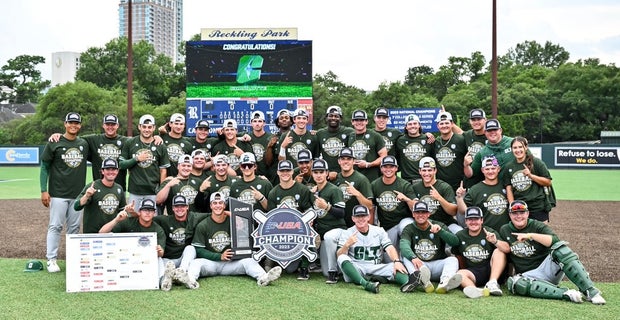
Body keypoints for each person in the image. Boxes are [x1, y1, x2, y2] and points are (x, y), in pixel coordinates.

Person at [496, 200, 605, 305]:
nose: (518, 216)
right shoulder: (505, 229)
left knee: (561, 250)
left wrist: (530, 235)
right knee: (514, 283)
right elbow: (507, 255)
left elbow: (555, 241)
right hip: (528, 276)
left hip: (547, 269)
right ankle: (566, 294)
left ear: (527, 213)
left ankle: (590, 291)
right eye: (515, 213)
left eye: (522, 212)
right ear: (510, 215)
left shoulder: (537, 225)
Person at [187, 192, 282, 287]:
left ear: (224, 205)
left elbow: (246, 239)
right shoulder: (203, 225)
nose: (218, 206)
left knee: (249, 261)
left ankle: (263, 278)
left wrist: (241, 226)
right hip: (212, 263)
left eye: (220, 203)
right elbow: (199, 250)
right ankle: (190, 281)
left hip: (231, 263)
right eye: (215, 203)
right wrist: (219, 256)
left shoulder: (233, 221)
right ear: (211, 205)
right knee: (196, 263)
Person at [40, 112, 89, 272]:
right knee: (55, 226)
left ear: (80, 125)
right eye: (70, 122)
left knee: (74, 228)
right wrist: (43, 190)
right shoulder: (54, 142)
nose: (73, 125)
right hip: (58, 193)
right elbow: (44, 166)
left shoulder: (84, 143)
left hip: (77, 195)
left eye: (76, 123)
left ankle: (72, 259)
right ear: (65, 124)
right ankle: (51, 259)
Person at [336, 205, 425, 294]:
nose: (360, 219)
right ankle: (366, 284)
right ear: (353, 218)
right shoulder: (347, 233)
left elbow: (389, 248)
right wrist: (347, 245)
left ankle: (409, 283)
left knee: (394, 266)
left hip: (376, 266)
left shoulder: (379, 231)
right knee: (342, 258)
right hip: (357, 267)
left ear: (368, 217)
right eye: (357, 216)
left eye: (363, 216)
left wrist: (397, 261)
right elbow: (339, 255)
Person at [99, 199, 169, 290]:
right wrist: (116, 220)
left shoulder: (158, 229)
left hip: (146, 261)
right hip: (127, 260)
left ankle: (162, 281)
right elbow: (101, 233)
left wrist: (159, 251)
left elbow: (161, 253)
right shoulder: (129, 222)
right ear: (139, 212)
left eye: (150, 210)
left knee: (159, 260)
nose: (147, 213)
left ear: (154, 213)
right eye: (145, 210)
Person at [399, 202, 461, 294]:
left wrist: (441, 232)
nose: (420, 215)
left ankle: (444, 283)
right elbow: (404, 245)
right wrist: (413, 257)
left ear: (429, 214)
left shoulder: (439, 225)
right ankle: (423, 282)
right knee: (406, 257)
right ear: (413, 214)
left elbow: (455, 242)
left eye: (423, 212)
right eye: (417, 212)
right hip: (420, 265)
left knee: (453, 260)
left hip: (437, 265)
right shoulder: (409, 228)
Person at [267, 160, 314, 277]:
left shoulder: (302, 189)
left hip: (299, 230)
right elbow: (271, 219)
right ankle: (270, 261)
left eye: (287, 170)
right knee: (289, 269)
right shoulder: (273, 192)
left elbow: (309, 210)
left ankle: (304, 266)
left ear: (292, 171)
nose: (285, 173)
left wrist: (309, 221)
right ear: (278, 172)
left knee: (309, 231)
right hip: (281, 231)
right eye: (282, 171)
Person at [119, 114, 170, 212]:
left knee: (152, 221)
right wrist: (136, 159)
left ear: (154, 128)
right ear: (139, 127)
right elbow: (121, 165)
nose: (147, 130)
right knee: (133, 220)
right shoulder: (130, 143)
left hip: (153, 192)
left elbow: (163, 171)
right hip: (135, 191)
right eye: (144, 127)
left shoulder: (160, 145)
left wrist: (161, 190)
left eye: (150, 127)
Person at [154, 195, 206, 290]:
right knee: (160, 261)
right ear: (172, 208)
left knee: (191, 248)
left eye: (182, 206)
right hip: (169, 259)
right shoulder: (165, 220)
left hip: (184, 259)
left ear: (187, 207)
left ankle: (181, 271)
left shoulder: (194, 217)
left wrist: (231, 214)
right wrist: (133, 214)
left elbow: (213, 215)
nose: (180, 209)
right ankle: (166, 279)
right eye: (177, 206)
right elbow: (146, 218)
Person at [453, 206, 506, 298]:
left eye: (476, 219)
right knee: (460, 274)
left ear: (481, 220)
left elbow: (507, 249)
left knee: (499, 251)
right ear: (465, 221)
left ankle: (492, 283)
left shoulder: (489, 232)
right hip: (474, 272)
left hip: (491, 269)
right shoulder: (460, 235)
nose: (473, 222)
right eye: (470, 219)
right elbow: (458, 255)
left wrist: (495, 241)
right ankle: (475, 290)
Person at [309, 159, 346, 284]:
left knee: (329, 237)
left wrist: (327, 207)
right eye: (315, 172)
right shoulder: (313, 192)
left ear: (327, 173)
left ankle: (333, 273)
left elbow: (341, 213)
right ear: (312, 174)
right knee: (323, 271)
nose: (318, 175)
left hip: (337, 230)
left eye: (321, 172)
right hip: (323, 233)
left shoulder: (334, 190)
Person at [503, 136, 554, 223]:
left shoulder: (536, 162)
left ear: (526, 148)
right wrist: (512, 205)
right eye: (515, 148)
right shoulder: (509, 166)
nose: (518, 150)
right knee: (523, 236)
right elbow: (509, 188)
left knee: (540, 235)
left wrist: (531, 176)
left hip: (537, 207)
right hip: (520, 208)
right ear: (511, 149)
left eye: (520, 147)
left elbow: (548, 182)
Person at [371, 155, 417, 250]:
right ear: (381, 168)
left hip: (404, 221)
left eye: (391, 166)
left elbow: (416, 208)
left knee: (405, 228)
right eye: (385, 166)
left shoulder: (405, 185)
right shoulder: (375, 185)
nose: (388, 169)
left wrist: (406, 199)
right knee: (389, 259)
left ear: (396, 168)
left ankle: (410, 255)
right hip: (388, 227)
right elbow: (371, 208)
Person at [456, 155, 510, 232]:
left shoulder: (506, 186)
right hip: (485, 233)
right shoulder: (475, 190)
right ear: (482, 170)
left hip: (506, 232)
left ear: (498, 169)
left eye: (493, 168)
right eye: (487, 169)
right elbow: (463, 211)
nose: (490, 171)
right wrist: (459, 197)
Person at [74, 158, 128, 233]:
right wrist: (86, 196)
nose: (111, 172)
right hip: (93, 234)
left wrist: (128, 210)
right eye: (108, 169)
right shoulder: (93, 186)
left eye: (113, 169)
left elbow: (121, 210)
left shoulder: (119, 188)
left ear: (117, 171)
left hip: (112, 233)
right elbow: (76, 206)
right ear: (102, 171)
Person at [408, 157, 461, 234]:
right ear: (419, 171)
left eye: (430, 170)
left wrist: (439, 198)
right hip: (423, 226)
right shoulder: (415, 188)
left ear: (435, 170)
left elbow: (453, 211)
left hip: (446, 224)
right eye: (424, 170)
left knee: (459, 232)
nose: (427, 173)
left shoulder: (444, 187)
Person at [332, 147, 373, 228]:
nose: (346, 161)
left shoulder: (361, 179)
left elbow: (369, 206)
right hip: (338, 224)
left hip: (356, 225)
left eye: (349, 159)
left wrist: (357, 194)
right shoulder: (335, 178)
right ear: (339, 161)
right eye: (343, 159)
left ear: (354, 161)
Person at [465, 119, 514, 186]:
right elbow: (471, 174)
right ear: (485, 132)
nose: (492, 132)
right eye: (489, 130)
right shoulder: (482, 152)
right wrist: (466, 165)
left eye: (495, 129)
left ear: (500, 130)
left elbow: (529, 158)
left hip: (516, 184)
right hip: (498, 189)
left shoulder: (513, 143)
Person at [452, 109, 488, 188]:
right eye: (473, 120)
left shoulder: (490, 135)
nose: (476, 122)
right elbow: (459, 132)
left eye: (479, 119)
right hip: (470, 179)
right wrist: (447, 118)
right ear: (470, 121)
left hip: (487, 177)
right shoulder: (468, 135)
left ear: (485, 120)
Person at [348, 109, 387, 182]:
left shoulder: (375, 136)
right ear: (352, 122)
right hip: (354, 178)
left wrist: (368, 164)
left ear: (366, 121)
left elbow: (384, 156)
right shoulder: (350, 137)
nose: (359, 122)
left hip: (372, 178)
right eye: (356, 120)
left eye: (362, 120)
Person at [433, 111, 467, 192]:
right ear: (437, 126)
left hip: (459, 185)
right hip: (441, 186)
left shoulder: (461, 139)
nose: (444, 126)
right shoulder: (435, 142)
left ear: (452, 124)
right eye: (441, 123)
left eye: (446, 123)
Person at [316, 106, 354, 178]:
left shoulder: (349, 132)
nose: (333, 118)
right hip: (326, 174)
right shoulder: (320, 133)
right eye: (331, 116)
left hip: (345, 173)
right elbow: (316, 156)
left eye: (336, 116)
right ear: (326, 118)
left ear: (341, 119)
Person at [395, 114, 434, 183]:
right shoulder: (400, 140)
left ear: (419, 125)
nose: (412, 126)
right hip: (406, 180)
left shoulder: (428, 139)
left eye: (415, 123)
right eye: (409, 124)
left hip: (424, 179)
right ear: (406, 127)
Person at [159, 113, 194, 177]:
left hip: (180, 180)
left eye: (181, 124)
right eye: (176, 123)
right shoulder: (161, 138)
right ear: (170, 124)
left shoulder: (188, 144)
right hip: (161, 178)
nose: (178, 126)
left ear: (184, 126)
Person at [247, 111, 275, 179]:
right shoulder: (246, 137)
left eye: (260, 121)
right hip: (250, 175)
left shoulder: (271, 137)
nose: (257, 124)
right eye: (255, 121)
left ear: (264, 123)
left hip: (268, 176)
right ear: (251, 123)